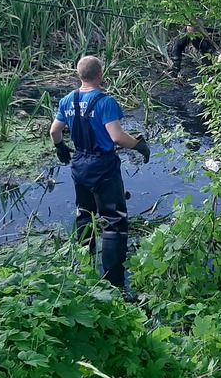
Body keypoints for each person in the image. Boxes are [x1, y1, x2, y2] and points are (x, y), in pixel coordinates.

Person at [49, 56, 151, 288]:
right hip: (103, 167)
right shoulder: (106, 102)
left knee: (85, 214)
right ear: (100, 75)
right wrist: (138, 145)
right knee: (114, 221)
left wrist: (60, 148)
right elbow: (116, 137)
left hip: (80, 164)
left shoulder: (67, 100)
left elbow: (55, 131)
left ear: (79, 75)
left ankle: (85, 264)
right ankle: (114, 280)